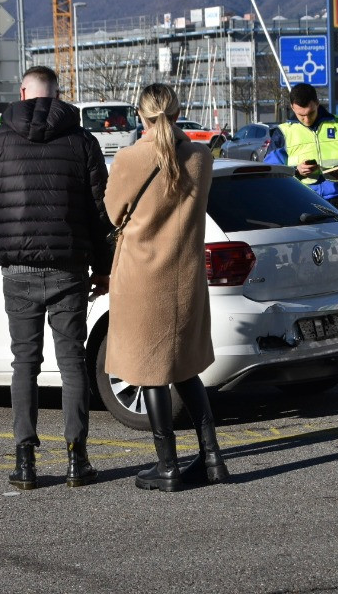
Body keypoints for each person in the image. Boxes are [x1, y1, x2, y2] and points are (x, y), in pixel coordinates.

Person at [0, 66, 112, 490]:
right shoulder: (82, 141)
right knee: (72, 364)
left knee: (24, 364)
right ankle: (76, 458)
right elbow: (101, 212)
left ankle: (25, 461)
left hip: (18, 271)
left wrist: (1, 245)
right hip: (69, 267)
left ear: (24, 92)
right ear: (56, 95)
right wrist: (102, 266)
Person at [105, 83, 229, 492]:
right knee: (185, 369)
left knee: (150, 371)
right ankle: (212, 457)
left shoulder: (129, 158)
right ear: (179, 113)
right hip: (185, 276)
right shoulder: (201, 156)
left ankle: (169, 465)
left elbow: (111, 212)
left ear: (140, 116)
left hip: (142, 277)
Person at [263, 82, 338, 221]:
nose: (307, 119)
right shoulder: (283, 133)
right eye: (301, 115)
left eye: (311, 113)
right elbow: (270, 173)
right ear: (292, 107)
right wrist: (295, 171)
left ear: (317, 103)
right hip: (300, 202)